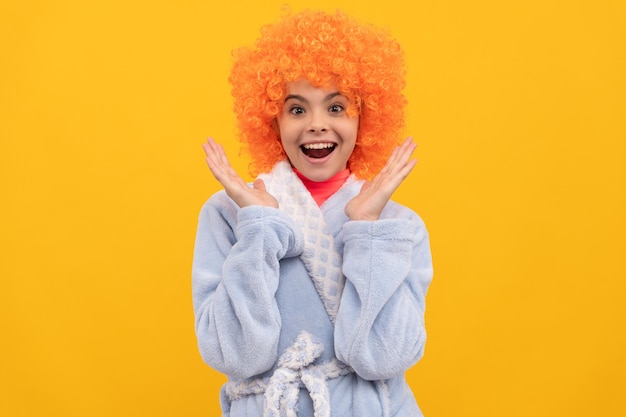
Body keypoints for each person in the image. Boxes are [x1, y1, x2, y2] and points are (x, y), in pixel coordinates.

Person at [192, 9, 433, 417]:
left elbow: (384, 358)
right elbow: (236, 358)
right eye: (298, 110)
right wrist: (259, 229)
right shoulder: (229, 213)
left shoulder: (398, 225)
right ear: (273, 120)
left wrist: (368, 230)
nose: (318, 125)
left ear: (365, 116)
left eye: (336, 108)